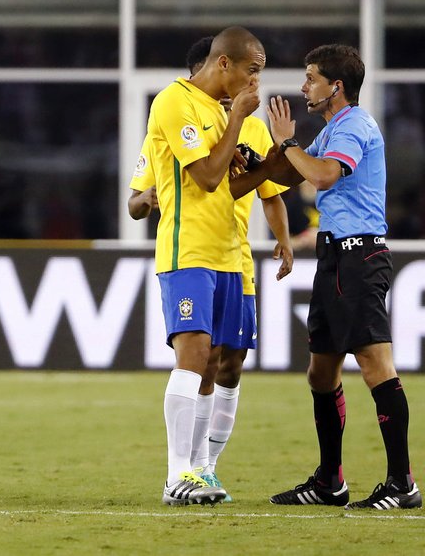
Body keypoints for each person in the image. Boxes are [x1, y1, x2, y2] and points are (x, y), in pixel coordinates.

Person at [129, 36, 292, 502]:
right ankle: (178, 475)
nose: (256, 82)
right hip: (188, 251)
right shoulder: (174, 101)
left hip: (230, 255)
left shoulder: (224, 115)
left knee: (224, 364)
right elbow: (203, 177)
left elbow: (229, 188)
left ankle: (201, 470)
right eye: (252, 71)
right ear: (224, 63)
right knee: (195, 357)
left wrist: (272, 165)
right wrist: (238, 117)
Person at [259, 44, 421, 509]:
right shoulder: (333, 128)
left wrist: (287, 145)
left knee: (375, 366)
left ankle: (402, 483)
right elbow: (290, 172)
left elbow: (324, 175)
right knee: (320, 371)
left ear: (337, 86)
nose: (304, 85)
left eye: (310, 77)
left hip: (359, 256)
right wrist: (253, 160)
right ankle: (331, 481)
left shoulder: (354, 125)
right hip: (334, 258)